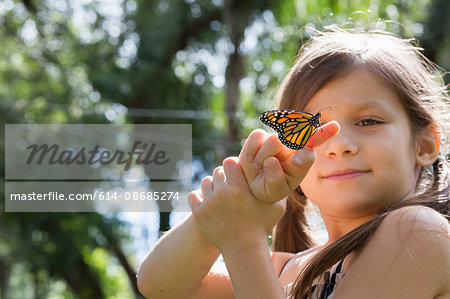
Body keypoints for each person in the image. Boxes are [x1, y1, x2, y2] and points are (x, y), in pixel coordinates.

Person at [137, 28, 450, 298]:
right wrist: (240, 200)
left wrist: (244, 240)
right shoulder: (284, 268)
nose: (339, 145)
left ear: (425, 145)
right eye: (317, 131)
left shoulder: (417, 232)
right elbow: (160, 285)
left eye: (369, 121)